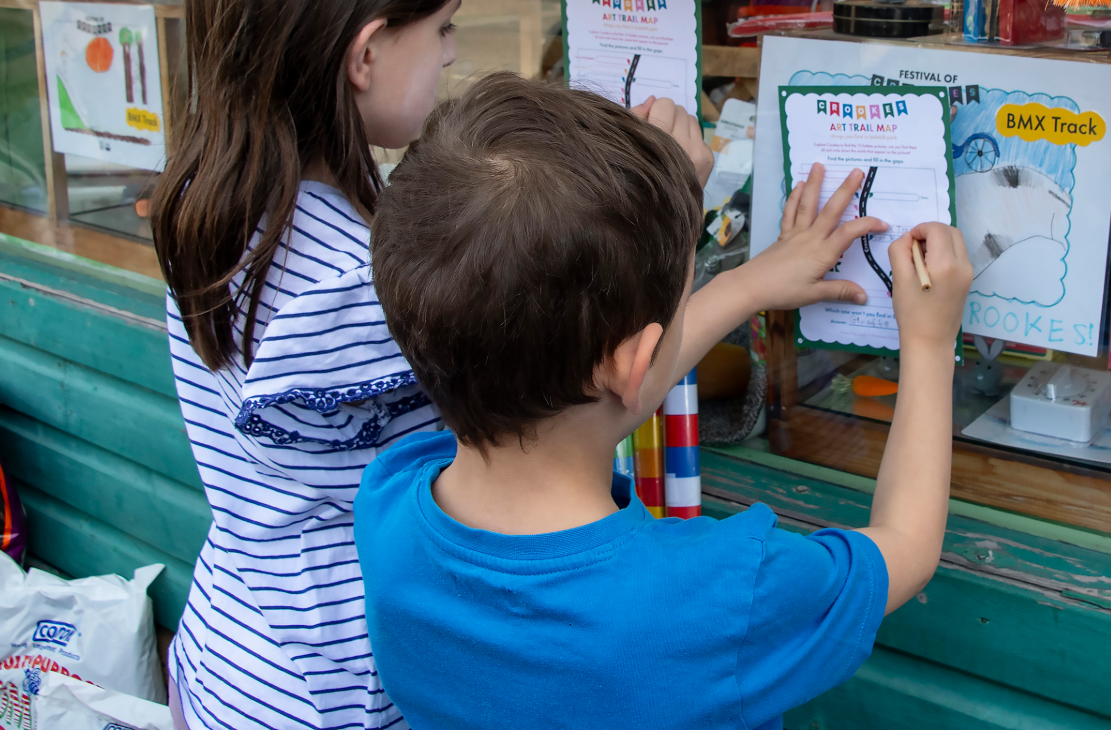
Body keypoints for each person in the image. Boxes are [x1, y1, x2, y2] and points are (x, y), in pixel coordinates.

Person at [358, 73, 974, 730]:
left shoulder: (388, 505)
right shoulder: (723, 596)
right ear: (638, 361)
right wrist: (931, 343)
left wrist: (747, 281)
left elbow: (600, 378)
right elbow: (905, 546)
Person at [148, 0, 472, 730]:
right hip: (335, 687)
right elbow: (500, 445)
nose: (450, 53)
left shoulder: (211, 201)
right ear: (366, 54)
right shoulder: (345, 286)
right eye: (442, 26)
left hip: (229, 647)